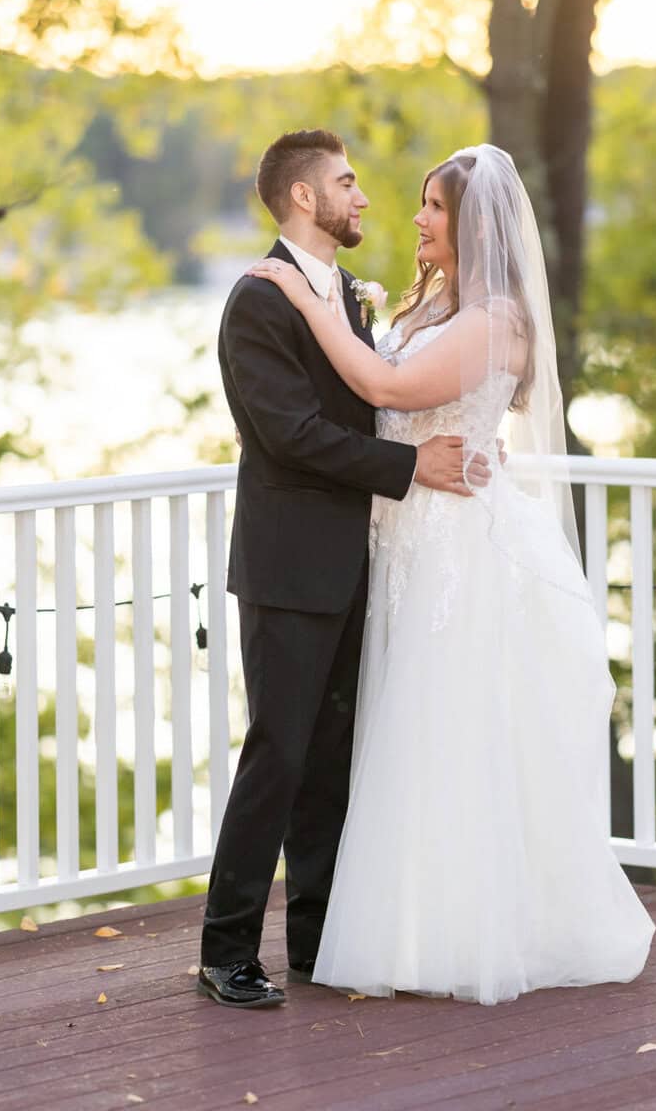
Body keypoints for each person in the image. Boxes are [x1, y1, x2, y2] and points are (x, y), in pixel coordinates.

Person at [245, 143, 653, 1006]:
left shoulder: (497, 318)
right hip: (400, 537)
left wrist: (304, 296)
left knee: (446, 725)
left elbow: (386, 388)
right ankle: (397, 922)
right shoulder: (437, 304)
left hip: (454, 543)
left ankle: (464, 931)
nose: (416, 218)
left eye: (432, 207)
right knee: (395, 734)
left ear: (470, 222)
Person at [198, 130, 490, 1009]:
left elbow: (378, 403)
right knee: (277, 754)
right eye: (346, 183)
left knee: (333, 760)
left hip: (362, 560)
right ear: (302, 199)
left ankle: (319, 943)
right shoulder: (259, 302)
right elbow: (287, 435)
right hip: (290, 564)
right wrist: (410, 471)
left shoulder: (349, 300)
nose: (364, 198)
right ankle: (226, 952)